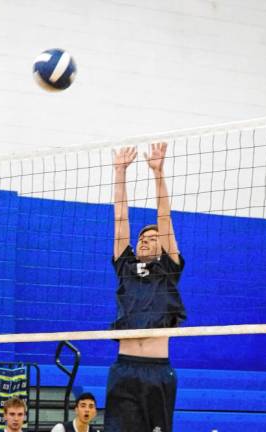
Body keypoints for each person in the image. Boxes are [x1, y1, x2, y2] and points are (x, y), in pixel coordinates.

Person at [104, 143, 186, 432]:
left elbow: (164, 218)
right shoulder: (125, 267)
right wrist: (119, 172)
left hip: (157, 371)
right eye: (142, 238)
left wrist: (158, 172)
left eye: (152, 238)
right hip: (124, 368)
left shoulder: (168, 269)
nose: (145, 240)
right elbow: (120, 218)